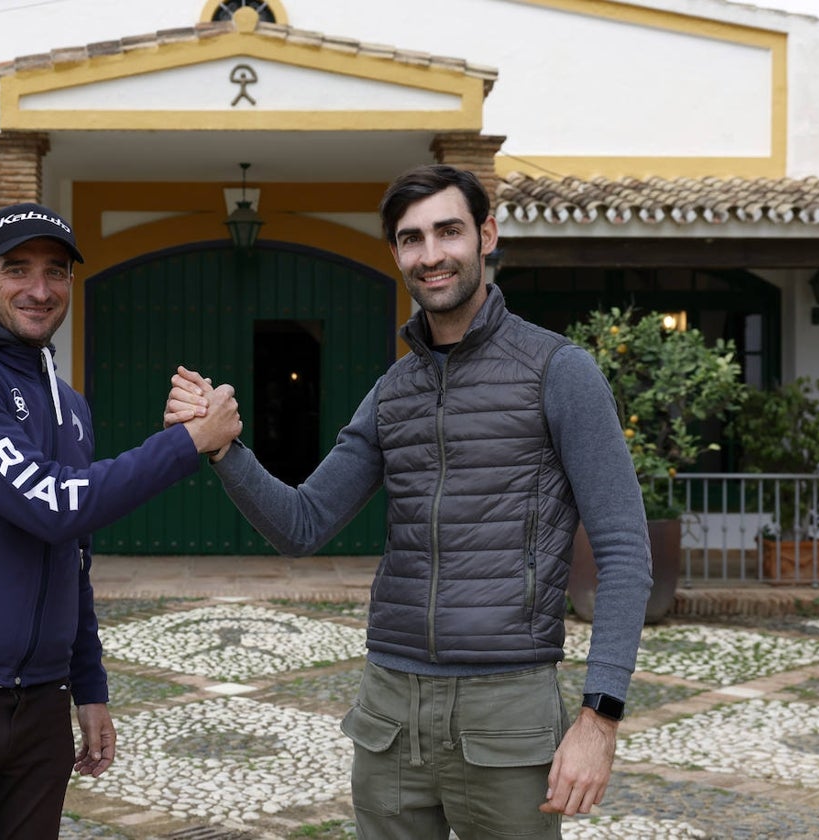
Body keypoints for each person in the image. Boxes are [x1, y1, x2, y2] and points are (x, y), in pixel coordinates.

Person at [167, 165, 653, 839]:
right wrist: (223, 450)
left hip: (507, 710)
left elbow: (625, 551)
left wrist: (599, 721)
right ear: (396, 253)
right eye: (410, 238)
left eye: (448, 231)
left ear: (486, 235)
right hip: (390, 711)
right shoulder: (394, 391)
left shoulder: (558, 371)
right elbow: (302, 525)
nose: (430, 255)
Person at [0, 202, 241, 840]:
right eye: (18, 269)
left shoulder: (67, 402)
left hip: (39, 704)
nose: (40, 289)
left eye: (57, 272)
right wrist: (187, 444)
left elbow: (72, 551)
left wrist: (87, 686)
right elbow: (52, 502)